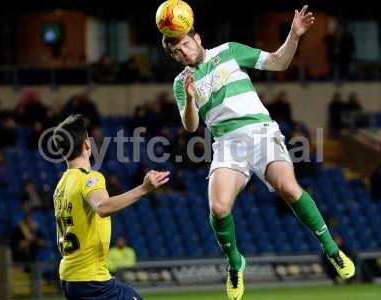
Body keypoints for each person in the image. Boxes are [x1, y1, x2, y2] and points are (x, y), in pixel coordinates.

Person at [161, 5, 354, 300]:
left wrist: (294, 34)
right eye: (177, 52)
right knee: (219, 208)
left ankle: (331, 248)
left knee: (289, 188)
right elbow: (190, 126)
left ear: (197, 38)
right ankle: (235, 263)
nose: (184, 53)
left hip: (260, 132)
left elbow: (278, 62)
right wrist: (188, 100)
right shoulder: (180, 83)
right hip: (226, 143)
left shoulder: (229, 50)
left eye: (186, 44)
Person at [52, 114, 169, 300]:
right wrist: (144, 188)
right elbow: (103, 207)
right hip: (90, 279)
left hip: (70, 276)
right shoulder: (89, 178)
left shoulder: (61, 185)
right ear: (86, 144)